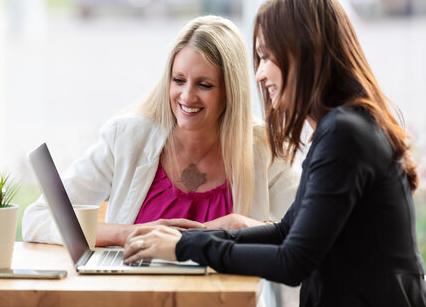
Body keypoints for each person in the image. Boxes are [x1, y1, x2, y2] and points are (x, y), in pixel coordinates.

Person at [123, 0, 426, 307]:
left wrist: (184, 249)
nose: (259, 73)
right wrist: (186, 238)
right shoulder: (346, 126)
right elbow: (286, 230)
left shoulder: (344, 134)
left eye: (267, 57)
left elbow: (293, 261)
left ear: (305, 54)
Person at [22, 15, 298, 248]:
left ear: (230, 91)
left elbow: (313, 232)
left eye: (204, 85)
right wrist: (126, 233)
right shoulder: (128, 138)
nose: (187, 96)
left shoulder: (263, 148)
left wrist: (243, 227)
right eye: (178, 80)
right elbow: (38, 218)